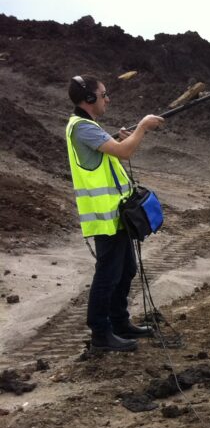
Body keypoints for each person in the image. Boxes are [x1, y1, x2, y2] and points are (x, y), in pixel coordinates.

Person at [66, 74, 164, 352]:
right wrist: (142, 127)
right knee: (108, 275)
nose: (107, 99)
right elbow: (124, 152)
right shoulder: (82, 127)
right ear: (89, 99)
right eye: (103, 94)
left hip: (115, 216)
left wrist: (124, 136)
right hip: (104, 217)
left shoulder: (89, 126)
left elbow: (114, 151)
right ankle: (101, 334)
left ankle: (120, 323)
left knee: (126, 270)